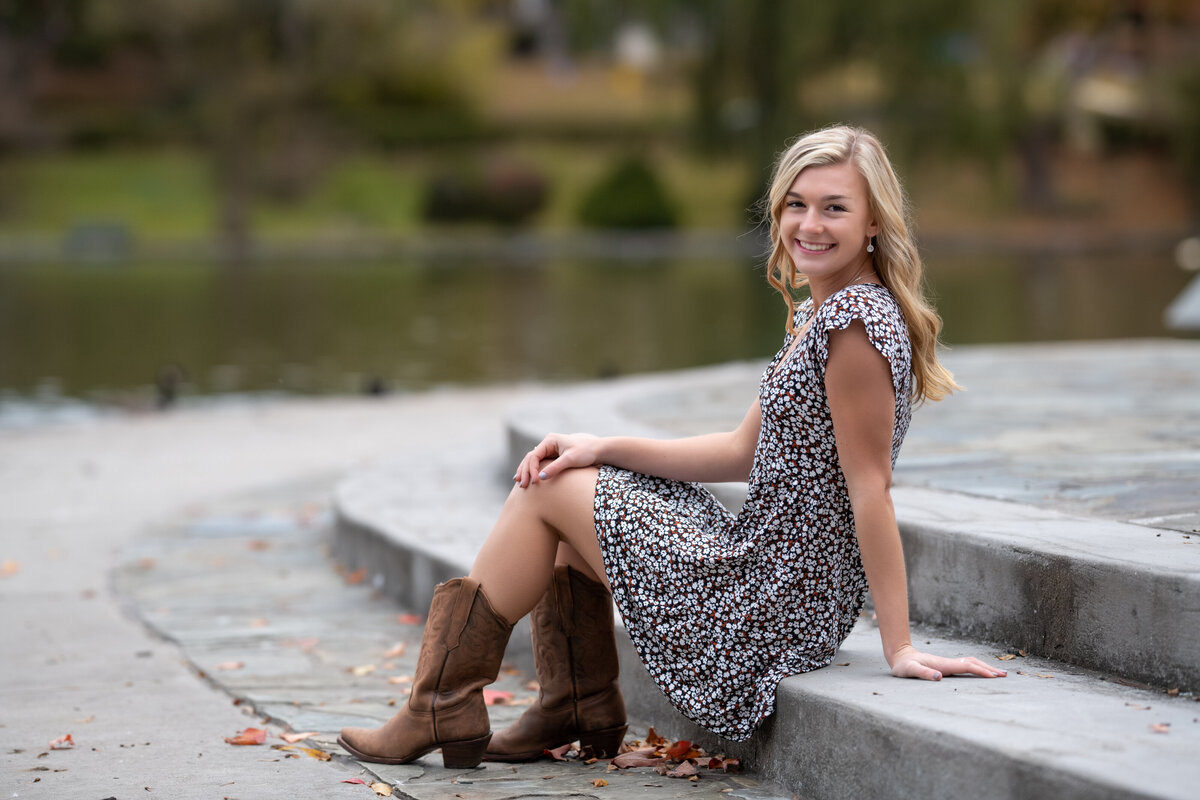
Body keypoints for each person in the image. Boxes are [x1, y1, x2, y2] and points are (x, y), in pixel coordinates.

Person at [338, 125, 1007, 768]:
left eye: (834, 208)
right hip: (768, 575)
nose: (809, 225)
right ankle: (575, 702)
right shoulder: (823, 314)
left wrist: (900, 647)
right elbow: (741, 451)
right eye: (796, 205)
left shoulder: (853, 325)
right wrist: (602, 445)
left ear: (872, 224)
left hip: (767, 606)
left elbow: (872, 488)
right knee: (574, 483)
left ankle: (443, 705)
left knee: (544, 490)